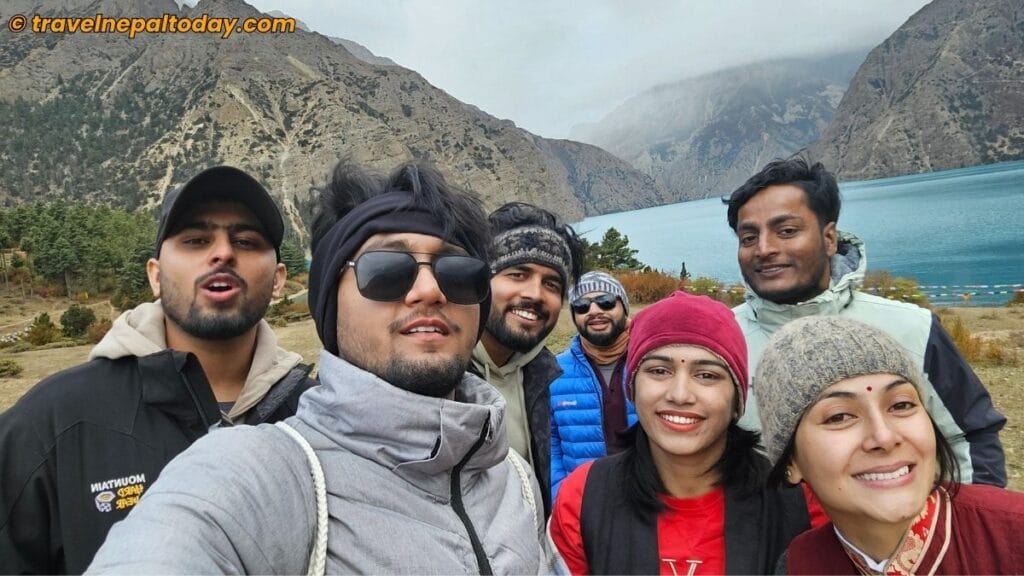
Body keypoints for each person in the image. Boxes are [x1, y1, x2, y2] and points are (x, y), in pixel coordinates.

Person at [87, 160, 553, 574]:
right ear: (330, 304)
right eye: (387, 269)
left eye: (457, 271)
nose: (430, 290)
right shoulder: (264, 475)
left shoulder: (513, 478)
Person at [0, 166, 313, 574]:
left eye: (246, 241)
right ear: (155, 276)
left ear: (278, 280)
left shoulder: (318, 419)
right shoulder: (50, 423)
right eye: (196, 240)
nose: (222, 253)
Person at [724, 157, 1007, 486]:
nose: (765, 249)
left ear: (829, 239)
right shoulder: (719, 343)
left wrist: (960, 532)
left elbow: (969, 437)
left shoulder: (912, 329)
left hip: (894, 533)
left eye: (786, 231)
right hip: (762, 535)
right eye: (748, 238)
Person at [550, 291, 812, 575]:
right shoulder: (583, 497)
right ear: (633, 390)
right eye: (660, 371)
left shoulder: (797, 501)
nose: (680, 394)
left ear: (737, 399)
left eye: (707, 375)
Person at [757, 316, 1024, 574]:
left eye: (901, 405)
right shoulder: (801, 564)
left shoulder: (1014, 534)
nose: (884, 437)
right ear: (790, 462)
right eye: (839, 416)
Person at [471, 201, 584, 514]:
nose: (535, 294)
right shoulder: (440, 381)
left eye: (551, 283)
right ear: (481, 280)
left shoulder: (541, 376)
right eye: (518, 274)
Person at [550, 271, 638, 502]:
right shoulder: (554, 372)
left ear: (624, 308)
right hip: (583, 505)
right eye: (581, 306)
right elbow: (551, 445)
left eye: (606, 302)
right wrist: (562, 496)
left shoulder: (652, 363)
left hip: (649, 503)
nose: (595, 311)